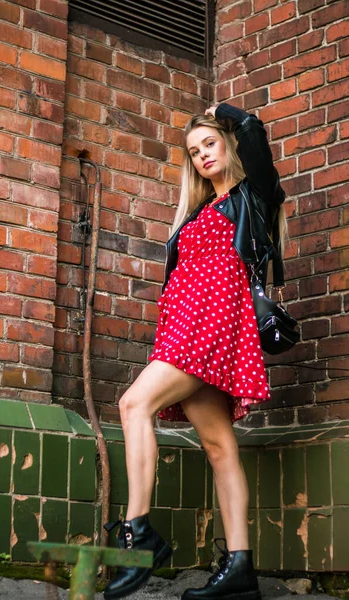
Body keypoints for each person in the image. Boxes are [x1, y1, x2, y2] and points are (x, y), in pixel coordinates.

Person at [103, 102, 287, 600]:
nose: (203, 155)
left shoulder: (256, 196)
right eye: (194, 151)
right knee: (219, 447)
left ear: (228, 144)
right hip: (185, 328)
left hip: (214, 327)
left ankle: (137, 534)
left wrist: (223, 112)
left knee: (133, 404)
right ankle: (241, 570)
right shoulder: (199, 211)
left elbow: (254, 132)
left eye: (210, 143)